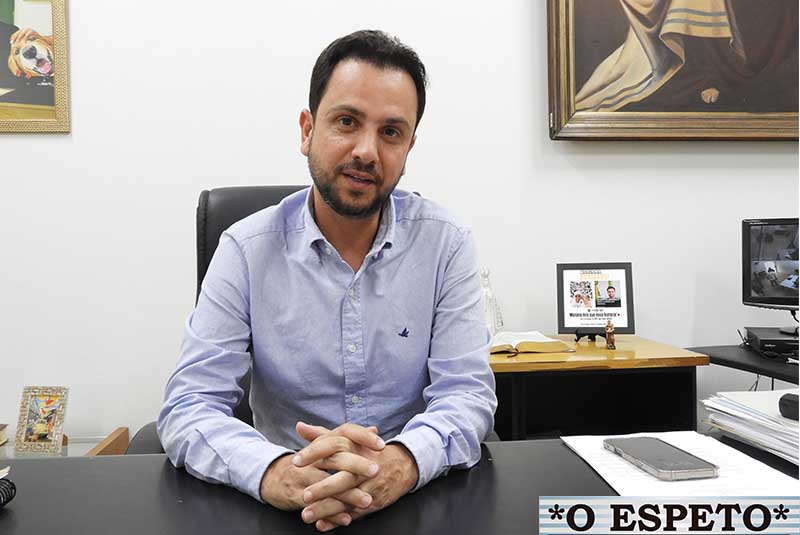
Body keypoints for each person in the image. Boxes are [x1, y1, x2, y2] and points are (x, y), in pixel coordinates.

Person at [157, 30, 497, 532]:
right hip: (283, 506)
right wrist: (277, 471)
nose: (366, 151)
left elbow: (467, 396)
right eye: (347, 122)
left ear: (408, 148)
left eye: (391, 132)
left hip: (412, 501)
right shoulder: (245, 249)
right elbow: (190, 405)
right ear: (307, 130)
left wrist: (401, 463)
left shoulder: (446, 243)